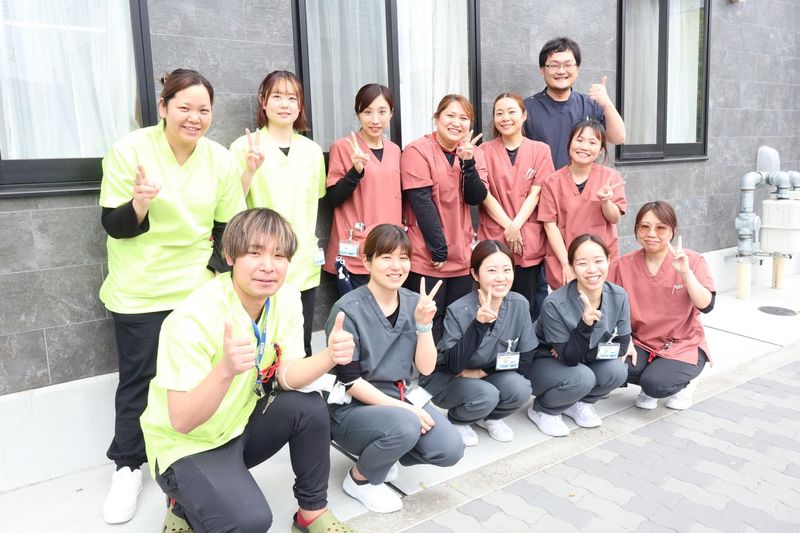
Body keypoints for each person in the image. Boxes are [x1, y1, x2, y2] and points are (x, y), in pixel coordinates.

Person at [140, 208, 357, 533]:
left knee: (309, 406)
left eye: (279, 255)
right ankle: (180, 500)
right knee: (250, 521)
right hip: (186, 445)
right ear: (230, 255)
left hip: (238, 424)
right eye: (255, 253)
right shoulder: (193, 317)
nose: (268, 266)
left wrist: (329, 357)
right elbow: (182, 420)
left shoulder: (285, 298)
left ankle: (312, 513)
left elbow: (286, 376)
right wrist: (225, 371)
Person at [98, 68, 245, 524]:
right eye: (184, 107)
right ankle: (127, 466)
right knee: (140, 379)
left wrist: (220, 278)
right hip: (140, 289)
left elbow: (230, 229)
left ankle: (190, 457)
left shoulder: (220, 159)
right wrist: (139, 203)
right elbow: (114, 226)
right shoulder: (130, 150)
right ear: (163, 108)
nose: (194, 117)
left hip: (195, 290)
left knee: (196, 376)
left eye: (203, 109)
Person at [326, 224, 464, 514]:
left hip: (400, 396)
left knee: (450, 447)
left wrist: (424, 325)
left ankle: (382, 456)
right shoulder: (347, 309)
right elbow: (350, 382)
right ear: (367, 262)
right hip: (352, 406)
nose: (396, 266)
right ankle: (360, 480)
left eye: (403, 258)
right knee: (406, 424)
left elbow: (426, 367)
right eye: (386, 257)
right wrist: (406, 411)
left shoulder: (415, 303)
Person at [230, 70, 326, 356]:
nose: (285, 104)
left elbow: (316, 197)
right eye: (277, 97)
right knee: (258, 343)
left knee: (301, 344)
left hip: (303, 259)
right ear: (263, 102)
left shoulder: (312, 151)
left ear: (300, 105)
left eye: (292, 98)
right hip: (262, 262)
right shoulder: (243, 147)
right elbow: (231, 201)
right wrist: (250, 170)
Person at [420, 240, 537, 447]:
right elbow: (454, 365)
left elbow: (526, 359)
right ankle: (458, 420)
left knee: (520, 388)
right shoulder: (459, 310)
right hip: (448, 379)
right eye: (492, 270)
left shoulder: (519, 304)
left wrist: (481, 372)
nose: (501, 277)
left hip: (484, 374)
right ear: (475, 274)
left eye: (507, 270)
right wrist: (479, 325)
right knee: (486, 394)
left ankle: (488, 417)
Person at [609, 201, 715, 410]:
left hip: (681, 344)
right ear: (636, 230)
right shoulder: (623, 264)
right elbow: (612, 309)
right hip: (641, 342)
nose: (651, 234)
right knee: (611, 367)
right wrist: (625, 340)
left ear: (672, 231)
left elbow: (707, 305)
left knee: (656, 384)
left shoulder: (692, 260)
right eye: (644, 226)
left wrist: (686, 273)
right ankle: (651, 381)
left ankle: (683, 383)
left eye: (660, 228)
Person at [520, 234, 630, 437]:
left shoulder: (619, 295)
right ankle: (543, 410)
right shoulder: (555, 303)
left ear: (609, 260)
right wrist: (585, 326)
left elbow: (622, 346)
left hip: (574, 358)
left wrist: (579, 352)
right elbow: (570, 359)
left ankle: (578, 402)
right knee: (582, 377)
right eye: (582, 263)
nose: (592, 269)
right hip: (543, 361)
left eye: (598, 261)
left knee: (617, 370)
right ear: (571, 267)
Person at [401, 94, 488, 342]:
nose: (456, 123)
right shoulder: (417, 150)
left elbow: (475, 197)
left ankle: (452, 365)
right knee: (428, 323)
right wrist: (439, 249)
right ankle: (428, 366)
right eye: (450, 115)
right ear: (437, 118)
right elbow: (421, 203)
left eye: (464, 118)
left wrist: (468, 164)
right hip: (428, 254)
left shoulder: (473, 153)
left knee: (458, 322)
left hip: (461, 254)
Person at [479, 92, 554, 321]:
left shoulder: (540, 150)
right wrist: (509, 227)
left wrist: (516, 226)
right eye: (499, 113)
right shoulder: (483, 150)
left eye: (511, 112)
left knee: (527, 303)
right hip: (495, 234)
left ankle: (525, 342)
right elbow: (485, 194)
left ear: (524, 115)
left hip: (527, 237)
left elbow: (536, 193)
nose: (505, 118)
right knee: (494, 301)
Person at [324, 84, 402, 294]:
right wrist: (356, 171)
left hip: (390, 248)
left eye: (382, 112)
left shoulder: (395, 150)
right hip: (355, 249)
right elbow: (334, 197)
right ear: (358, 113)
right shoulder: (343, 147)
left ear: (391, 113)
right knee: (357, 311)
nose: (375, 120)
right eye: (367, 112)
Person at [539, 119, 626, 290]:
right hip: (566, 259)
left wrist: (606, 201)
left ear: (601, 150)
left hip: (600, 260)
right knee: (568, 303)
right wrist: (566, 263)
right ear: (570, 143)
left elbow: (614, 218)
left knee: (601, 302)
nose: (584, 147)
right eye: (579, 140)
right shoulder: (552, 181)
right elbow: (549, 225)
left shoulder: (611, 177)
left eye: (592, 142)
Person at [523, 36, 625, 170]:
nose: (561, 71)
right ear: (542, 70)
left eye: (568, 65)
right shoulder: (526, 108)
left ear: (577, 69)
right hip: (541, 182)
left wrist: (607, 104)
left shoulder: (590, 105)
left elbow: (618, 138)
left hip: (581, 182)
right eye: (554, 65)